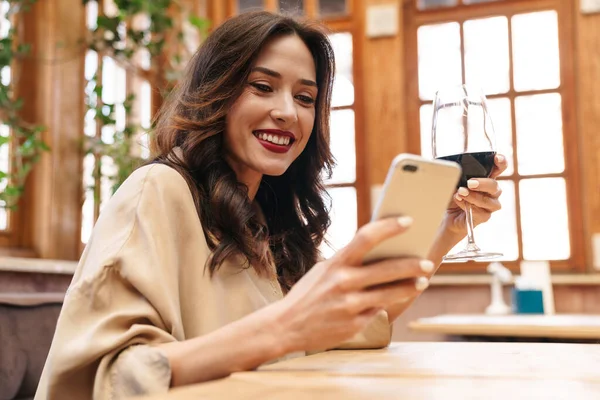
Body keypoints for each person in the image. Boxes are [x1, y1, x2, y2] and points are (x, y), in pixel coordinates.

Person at [35, 10, 506, 399]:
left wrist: (447, 229)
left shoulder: (267, 221)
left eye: (305, 97)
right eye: (262, 87)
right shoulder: (157, 190)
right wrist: (284, 327)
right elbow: (112, 379)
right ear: (216, 92)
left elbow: (360, 321)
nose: (288, 111)